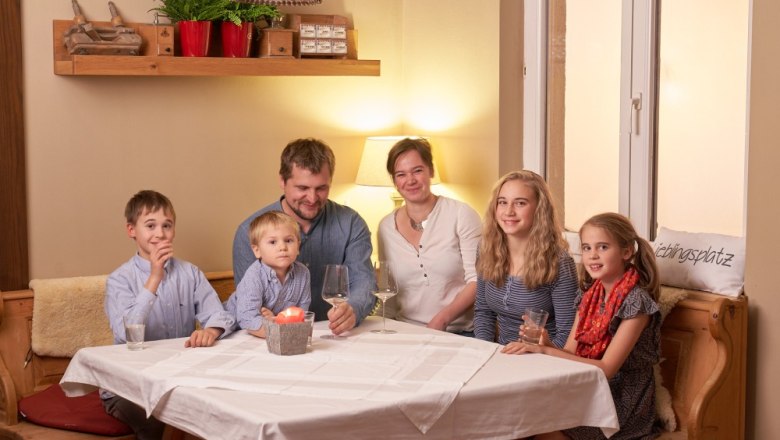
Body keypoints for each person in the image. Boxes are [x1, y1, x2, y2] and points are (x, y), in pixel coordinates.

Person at [507, 212, 662, 440]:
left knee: (535, 425)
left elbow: (607, 368)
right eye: (587, 248)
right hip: (588, 386)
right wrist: (547, 343)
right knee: (518, 412)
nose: (593, 256)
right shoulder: (589, 296)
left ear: (627, 252)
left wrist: (544, 350)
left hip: (622, 398)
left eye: (603, 247)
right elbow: (570, 352)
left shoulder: (636, 304)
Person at [104, 190, 236, 440]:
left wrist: (211, 330)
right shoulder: (119, 280)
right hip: (128, 387)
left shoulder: (191, 273)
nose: (160, 233)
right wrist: (154, 277)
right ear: (132, 230)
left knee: (218, 409)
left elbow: (220, 315)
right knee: (158, 419)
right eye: (150, 225)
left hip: (178, 377)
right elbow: (126, 333)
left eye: (167, 225)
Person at [232, 138, 375, 336]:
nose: (312, 198)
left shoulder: (351, 223)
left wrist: (353, 309)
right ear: (282, 181)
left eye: (321, 188)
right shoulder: (248, 231)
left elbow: (364, 283)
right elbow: (248, 306)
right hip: (270, 340)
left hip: (336, 336)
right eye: (302, 188)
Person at [377, 137, 481, 333]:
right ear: (394, 181)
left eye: (417, 170)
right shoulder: (385, 227)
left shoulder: (461, 214)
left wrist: (442, 320)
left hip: (458, 332)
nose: (410, 181)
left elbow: (477, 281)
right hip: (405, 331)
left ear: (431, 171)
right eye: (401, 174)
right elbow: (388, 293)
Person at [473, 170, 577, 347]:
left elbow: (567, 334)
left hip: (545, 359)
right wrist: (484, 351)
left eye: (520, 203)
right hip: (501, 354)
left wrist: (535, 354)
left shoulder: (559, 262)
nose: (509, 211)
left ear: (539, 209)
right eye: (502, 202)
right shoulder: (486, 248)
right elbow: (483, 312)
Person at [226, 211, 311, 338]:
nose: (282, 247)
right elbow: (247, 318)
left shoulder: (303, 273)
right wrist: (280, 327)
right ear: (257, 250)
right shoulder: (254, 275)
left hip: (271, 331)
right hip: (235, 329)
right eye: (272, 242)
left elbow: (301, 314)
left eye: (288, 240)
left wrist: (276, 320)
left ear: (298, 246)